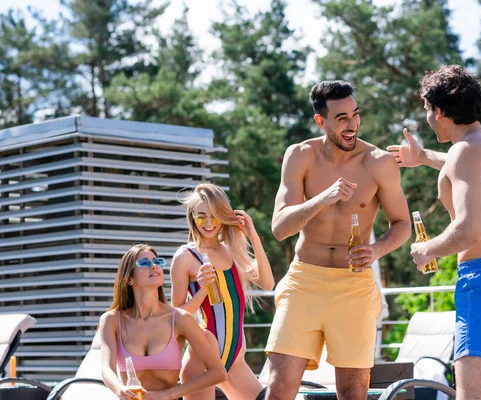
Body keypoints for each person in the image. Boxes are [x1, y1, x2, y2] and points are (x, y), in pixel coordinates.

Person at [387, 65, 481, 400]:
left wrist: (427, 250)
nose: (427, 119)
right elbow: (468, 167)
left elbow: (471, 229)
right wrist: (423, 157)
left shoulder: (465, 152)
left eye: (427, 111)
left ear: (439, 111)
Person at [264, 80, 411, 400]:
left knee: (353, 390)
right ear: (321, 121)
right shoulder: (300, 155)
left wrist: (377, 249)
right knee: (280, 385)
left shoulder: (378, 162)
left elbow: (402, 224)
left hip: (354, 284)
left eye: (355, 115)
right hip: (305, 279)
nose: (353, 124)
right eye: (342, 118)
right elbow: (279, 228)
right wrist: (321, 199)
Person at [170, 183, 275, 400]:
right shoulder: (185, 257)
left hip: (234, 360)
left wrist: (252, 235)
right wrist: (202, 291)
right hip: (203, 361)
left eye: (215, 216)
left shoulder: (231, 248)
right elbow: (176, 318)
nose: (208, 223)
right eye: (201, 217)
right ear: (192, 217)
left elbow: (267, 284)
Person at [99, 244, 226, 400]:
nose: (154, 266)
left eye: (157, 262)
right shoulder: (111, 320)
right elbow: (107, 369)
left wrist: (169, 394)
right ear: (129, 278)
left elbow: (218, 373)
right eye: (144, 263)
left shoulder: (180, 319)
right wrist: (120, 389)